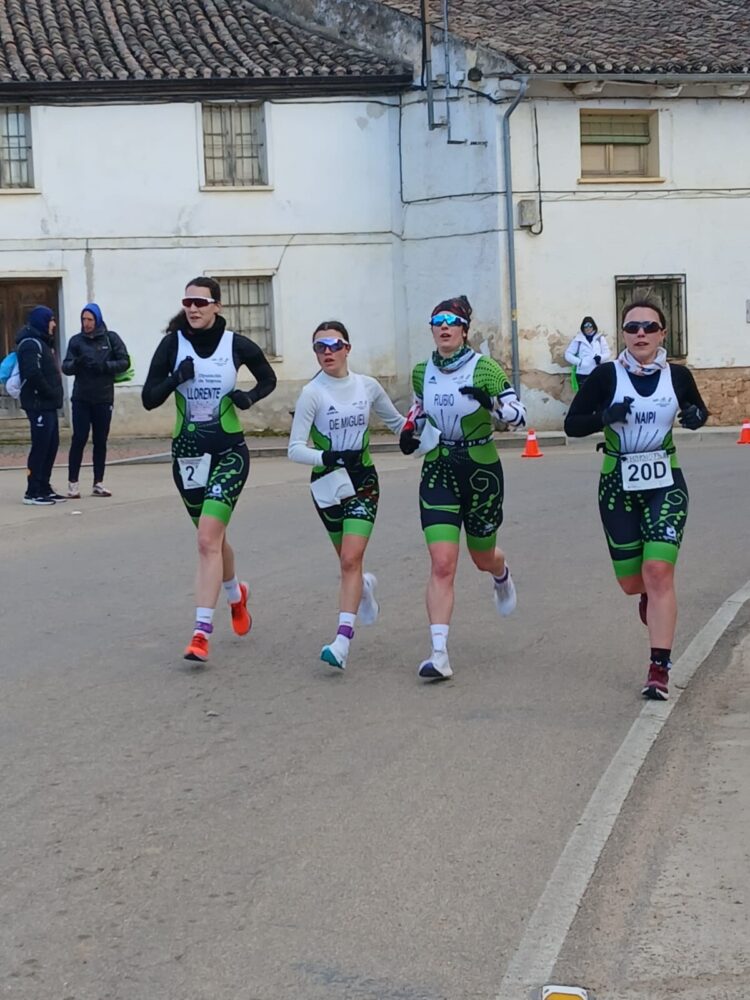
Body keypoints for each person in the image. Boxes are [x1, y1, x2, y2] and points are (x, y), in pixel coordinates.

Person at [564, 300, 709, 700]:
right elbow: (572, 424)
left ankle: (658, 668)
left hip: (665, 481)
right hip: (617, 484)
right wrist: (604, 417)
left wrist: (697, 416)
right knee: (634, 582)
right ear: (623, 335)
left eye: (649, 326)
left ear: (663, 333)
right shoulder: (605, 375)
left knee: (659, 570)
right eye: (632, 328)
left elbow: (698, 410)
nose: (641, 334)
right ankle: (646, 593)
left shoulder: (677, 376)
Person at [142, 277, 277, 663]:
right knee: (212, 540)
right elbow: (149, 399)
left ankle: (201, 633)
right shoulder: (172, 345)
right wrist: (174, 379)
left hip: (228, 452)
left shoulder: (235, 344)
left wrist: (248, 397)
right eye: (188, 301)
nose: (193, 308)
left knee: (205, 541)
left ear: (217, 305)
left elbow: (268, 378)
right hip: (187, 455)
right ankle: (236, 595)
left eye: (201, 302)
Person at [399, 295, 526, 681]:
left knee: (481, 556)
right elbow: (418, 411)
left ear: (465, 330)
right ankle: (439, 653)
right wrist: (410, 431)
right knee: (442, 563)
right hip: (439, 468)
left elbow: (519, 417)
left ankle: (500, 573)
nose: (444, 327)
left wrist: (492, 406)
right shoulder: (422, 371)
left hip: (480, 470)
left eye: (452, 322)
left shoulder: (484, 369)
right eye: (437, 321)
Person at [288, 320, 406, 671]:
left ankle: (341, 643)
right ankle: (363, 589)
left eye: (333, 344)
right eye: (319, 347)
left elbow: (400, 425)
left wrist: (426, 434)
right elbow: (294, 449)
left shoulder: (366, 387)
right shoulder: (312, 393)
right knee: (347, 562)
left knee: (351, 559)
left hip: (363, 480)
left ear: (347, 348)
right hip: (327, 484)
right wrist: (327, 457)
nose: (327, 352)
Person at [62, 303, 130, 498]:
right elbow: (65, 366)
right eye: (84, 319)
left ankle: (98, 482)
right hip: (82, 397)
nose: (86, 323)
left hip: (103, 397)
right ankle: (73, 483)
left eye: (90, 320)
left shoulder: (110, 338)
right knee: (79, 439)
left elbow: (125, 361)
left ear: (97, 320)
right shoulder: (76, 341)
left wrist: (105, 366)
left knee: (100, 440)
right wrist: (77, 363)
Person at [16, 305, 65, 506]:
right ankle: (32, 491)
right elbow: (33, 374)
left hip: (48, 405)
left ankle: (44, 486)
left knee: (51, 445)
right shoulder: (30, 344)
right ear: (42, 321)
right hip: (38, 404)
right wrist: (50, 392)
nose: (54, 324)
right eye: (51, 319)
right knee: (41, 446)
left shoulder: (43, 342)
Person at [564, 316, 611, 388]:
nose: (588, 328)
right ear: (583, 328)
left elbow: (607, 353)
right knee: (584, 397)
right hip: (582, 373)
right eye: (585, 326)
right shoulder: (578, 339)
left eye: (590, 325)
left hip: (597, 372)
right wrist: (579, 362)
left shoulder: (600, 338)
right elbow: (568, 354)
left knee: (597, 396)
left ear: (594, 326)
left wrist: (600, 358)